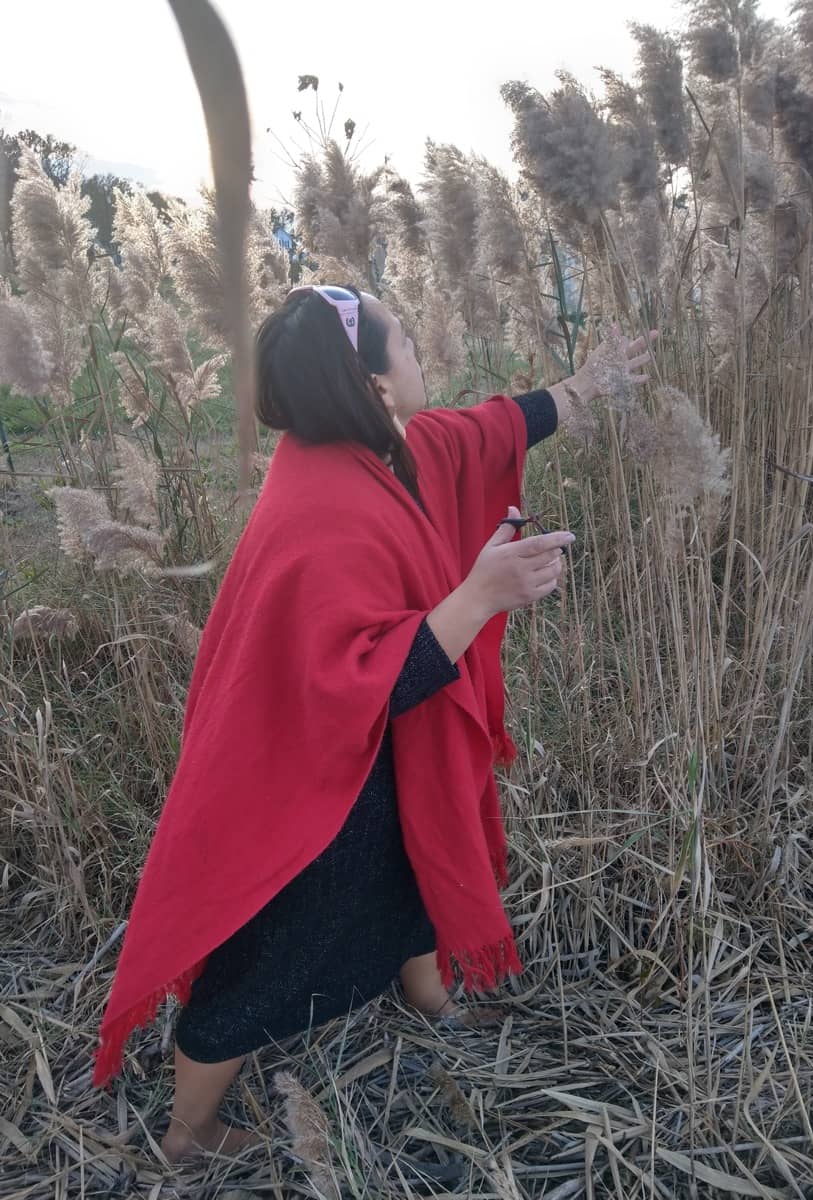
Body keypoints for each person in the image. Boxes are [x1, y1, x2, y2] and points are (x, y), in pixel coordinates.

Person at [91, 284, 656, 1161]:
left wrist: (581, 389)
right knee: (272, 952)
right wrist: (480, 593)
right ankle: (188, 1134)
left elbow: (481, 432)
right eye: (405, 338)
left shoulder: (374, 449)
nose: (421, 345)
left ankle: (429, 989)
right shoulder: (326, 508)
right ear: (374, 383)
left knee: (419, 857)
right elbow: (356, 685)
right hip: (309, 788)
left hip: (373, 764)